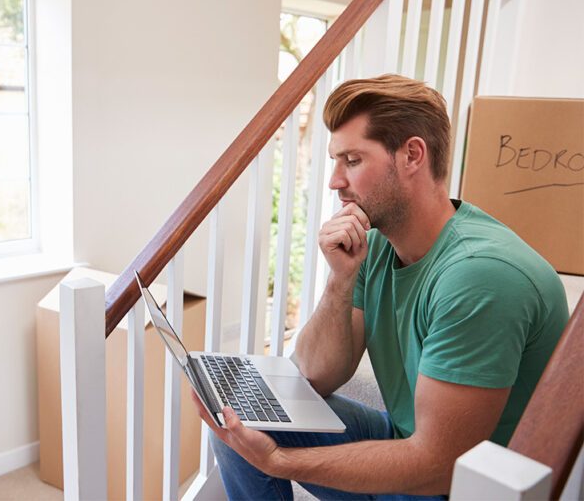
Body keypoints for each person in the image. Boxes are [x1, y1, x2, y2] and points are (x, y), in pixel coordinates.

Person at [194, 74, 569, 500]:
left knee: (256, 444)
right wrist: (340, 278)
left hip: (461, 486)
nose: (335, 181)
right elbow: (314, 375)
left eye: (352, 160)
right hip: (407, 441)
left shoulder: (480, 275)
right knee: (237, 415)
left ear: (411, 155)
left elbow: (440, 467)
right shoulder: (374, 245)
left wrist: (277, 461)